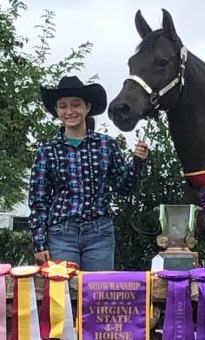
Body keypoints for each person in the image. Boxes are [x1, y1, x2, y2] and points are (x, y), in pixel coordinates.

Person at [29, 75, 149, 271]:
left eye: (75, 105)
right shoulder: (46, 151)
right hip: (61, 233)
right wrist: (39, 240)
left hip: (100, 234)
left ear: (87, 107)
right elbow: (38, 200)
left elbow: (124, 187)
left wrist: (137, 162)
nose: (69, 111)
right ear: (57, 111)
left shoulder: (106, 145)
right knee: (64, 296)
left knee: (98, 295)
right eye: (63, 106)